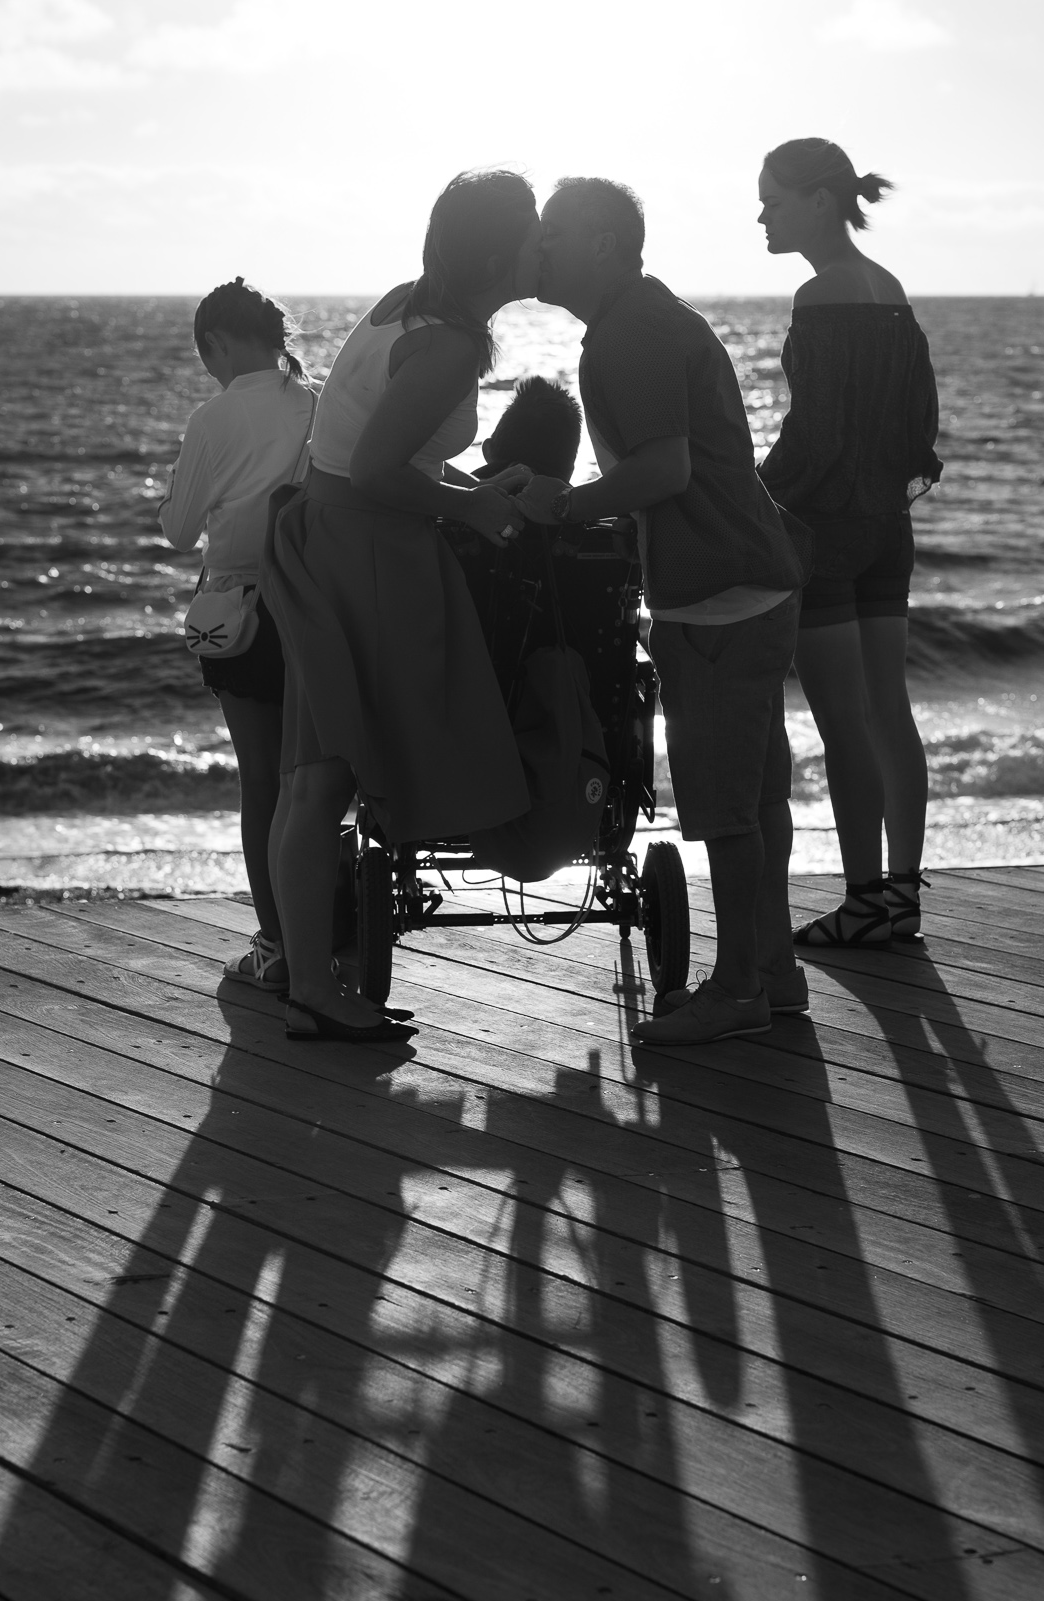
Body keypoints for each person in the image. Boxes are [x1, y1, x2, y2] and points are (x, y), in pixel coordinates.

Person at [516, 177, 811, 1047]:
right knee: (756, 798)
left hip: (717, 595)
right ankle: (772, 970)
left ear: (604, 242)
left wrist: (562, 506)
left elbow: (665, 469)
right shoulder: (648, 317)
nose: (538, 246)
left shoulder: (627, 336)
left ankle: (737, 989)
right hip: (752, 580)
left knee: (725, 807)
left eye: (555, 232)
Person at [262, 169, 538, 1043]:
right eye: (532, 232)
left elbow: (366, 452)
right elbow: (379, 470)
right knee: (325, 773)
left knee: (311, 771)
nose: (542, 246)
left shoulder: (403, 306)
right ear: (499, 252)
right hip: (365, 552)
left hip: (331, 530)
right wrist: (475, 507)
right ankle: (312, 985)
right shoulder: (451, 346)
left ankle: (306, 972)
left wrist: (466, 483)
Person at [756, 138, 942, 944]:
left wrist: (752, 495)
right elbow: (919, 423)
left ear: (820, 201)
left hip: (826, 532)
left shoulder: (818, 295)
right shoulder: (889, 290)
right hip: (885, 529)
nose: (762, 213)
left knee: (841, 726)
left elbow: (812, 434)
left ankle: (862, 902)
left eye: (774, 198)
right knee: (889, 714)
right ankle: (900, 894)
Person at [159, 277, 316, 989]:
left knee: (261, 785)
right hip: (315, 609)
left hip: (241, 613)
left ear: (219, 343)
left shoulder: (213, 418)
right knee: (310, 782)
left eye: (208, 359)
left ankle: (277, 948)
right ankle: (319, 935)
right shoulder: (316, 403)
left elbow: (177, 530)